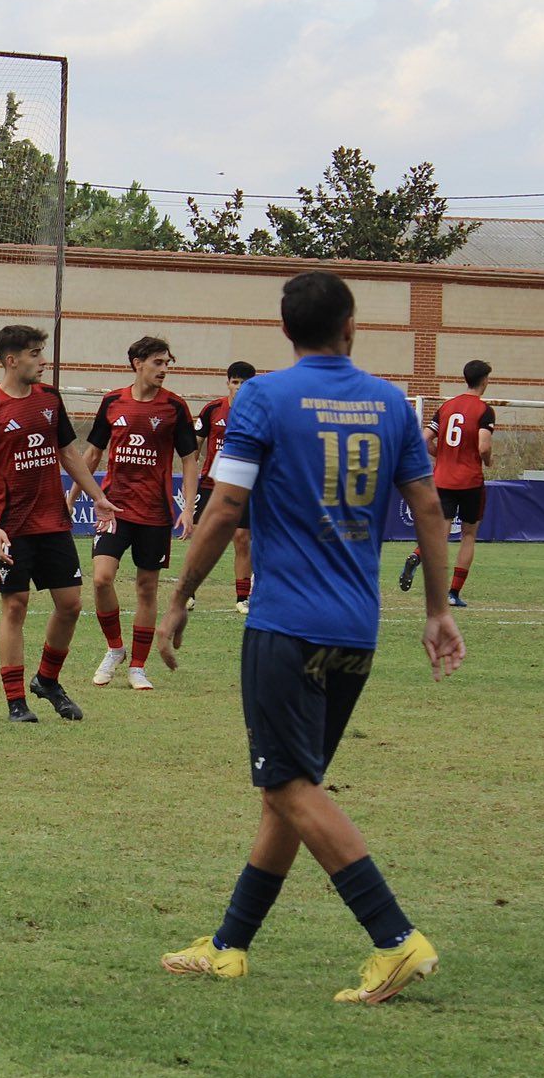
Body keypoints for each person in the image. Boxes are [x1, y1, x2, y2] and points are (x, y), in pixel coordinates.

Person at [160, 271, 464, 1005]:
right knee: (288, 792)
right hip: (355, 630)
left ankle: (395, 938)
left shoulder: (262, 397)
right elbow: (427, 508)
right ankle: (229, 946)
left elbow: (228, 503)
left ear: (285, 328)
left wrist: (180, 596)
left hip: (285, 625)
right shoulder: (391, 402)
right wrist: (436, 609)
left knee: (288, 784)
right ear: (351, 325)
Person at [0, 324, 117, 723]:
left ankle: (47, 680)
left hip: (52, 521)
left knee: (70, 604)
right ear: (11, 360)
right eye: (35, 353)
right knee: (15, 606)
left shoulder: (49, 399)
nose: (42, 360)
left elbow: (69, 454)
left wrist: (98, 496)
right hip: (12, 527)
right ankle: (16, 701)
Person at [70, 336, 200, 690]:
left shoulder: (175, 407)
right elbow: (92, 455)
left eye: (167, 364)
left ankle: (138, 667)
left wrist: (188, 507)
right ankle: (115, 649)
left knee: (146, 588)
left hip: (155, 513)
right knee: (100, 578)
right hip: (114, 508)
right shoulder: (112, 402)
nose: (164, 370)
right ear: (137, 363)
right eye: (158, 363)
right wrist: (72, 496)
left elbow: (190, 460)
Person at [400, 359, 494, 608]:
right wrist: (488, 459)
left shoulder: (447, 407)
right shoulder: (484, 410)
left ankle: (416, 555)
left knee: (439, 534)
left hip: (442, 479)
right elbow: (484, 446)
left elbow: (423, 439)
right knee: (468, 536)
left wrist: (439, 453)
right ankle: (452, 593)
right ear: (484, 380)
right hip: (471, 481)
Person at [191, 361, 258, 614]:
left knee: (242, 539)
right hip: (210, 484)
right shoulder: (212, 409)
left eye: (245, 383)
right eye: (235, 382)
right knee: (200, 536)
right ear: (228, 382)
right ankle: (189, 593)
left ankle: (242, 598)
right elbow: (194, 447)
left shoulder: (260, 412)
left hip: (244, 485)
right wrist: (191, 475)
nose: (239, 388)